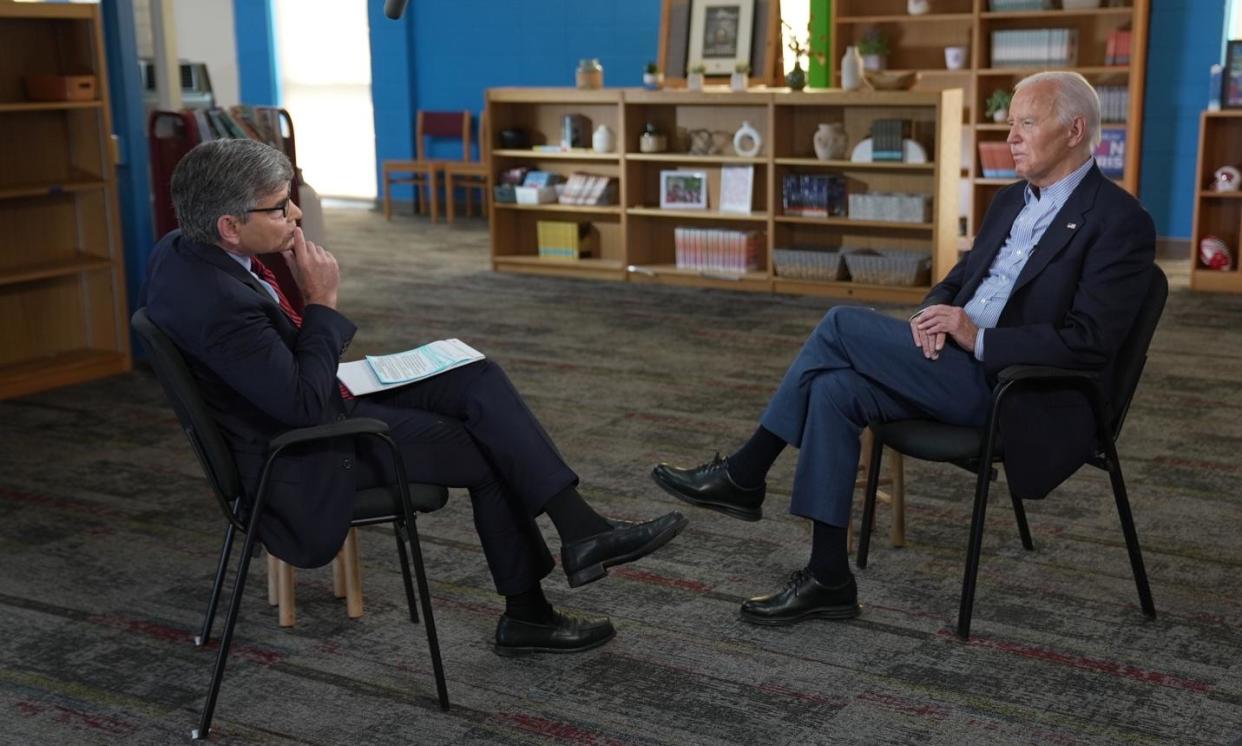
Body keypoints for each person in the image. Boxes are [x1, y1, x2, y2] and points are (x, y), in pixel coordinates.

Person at [143, 139, 687, 656]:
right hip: (304, 454)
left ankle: (581, 529)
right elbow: (305, 408)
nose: (296, 216)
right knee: (488, 448)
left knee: (476, 375)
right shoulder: (219, 306)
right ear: (230, 227)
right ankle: (530, 612)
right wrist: (321, 301)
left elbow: (281, 378)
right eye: (280, 209)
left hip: (302, 404)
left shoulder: (183, 249)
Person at [652, 71, 1156, 626]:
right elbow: (958, 280)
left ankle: (745, 475)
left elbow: (1088, 343)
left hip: (1015, 388)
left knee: (840, 323)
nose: (1010, 136)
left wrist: (975, 336)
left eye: (1026, 124)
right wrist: (931, 317)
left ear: (1075, 130)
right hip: (952, 364)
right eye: (1010, 124)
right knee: (834, 389)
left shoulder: (1120, 222)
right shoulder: (1010, 200)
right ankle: (829, 578)